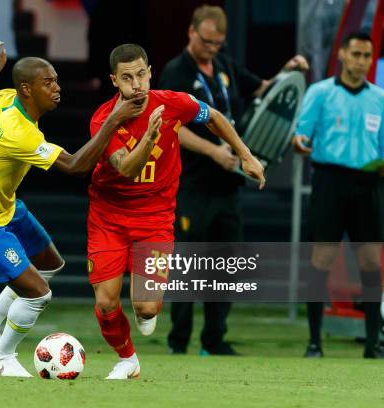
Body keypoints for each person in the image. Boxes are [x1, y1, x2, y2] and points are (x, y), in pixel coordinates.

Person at [0, 41, 144, 377]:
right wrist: (114, 120)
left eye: (56, 80)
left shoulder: (5, 98)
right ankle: (3, 357)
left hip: (4, 209)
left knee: (49, 261)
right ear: (27, 88)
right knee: (38, 293)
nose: (57, 88)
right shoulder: (16, 132)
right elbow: (77, 166)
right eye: (48, 82)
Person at [87, 43, 265, 379]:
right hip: (108, 217)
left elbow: (212, 116)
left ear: (150, 72)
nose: (137, 84)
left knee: (146, 306)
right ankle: (127, 359)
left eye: (141, 74)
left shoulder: (173, 103)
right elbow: (124, 168)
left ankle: (145, 309)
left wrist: (244, 154)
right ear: (114, 81)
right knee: (107, 302)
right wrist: (150, 137)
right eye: (127, 78)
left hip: (155, 219)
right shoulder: (102, 120)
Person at [158, 5, 308, 355]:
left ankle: (214, 340)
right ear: (191, 32)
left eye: (218, 43)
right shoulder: (176, 72)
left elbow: (262, 90)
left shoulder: (225, 67)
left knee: (225, 266)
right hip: (191, 186)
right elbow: (170, 127)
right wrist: (214, 152)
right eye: (207, 41)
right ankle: (178, 342)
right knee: (189, 265)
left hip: (227, 189)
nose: (212, 48)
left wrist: (288, 73)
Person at [292, 32, 383, 359]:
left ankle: (373, 342)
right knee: (322, 259)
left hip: (369, 184)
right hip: (329, 181)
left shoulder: (380, 99)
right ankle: (314, 342)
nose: (361, 61)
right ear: (342, 55)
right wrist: (298, 142)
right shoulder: (320, 93)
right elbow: (300, 135)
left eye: (367, 55)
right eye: (356, 54)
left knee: (372, 262)